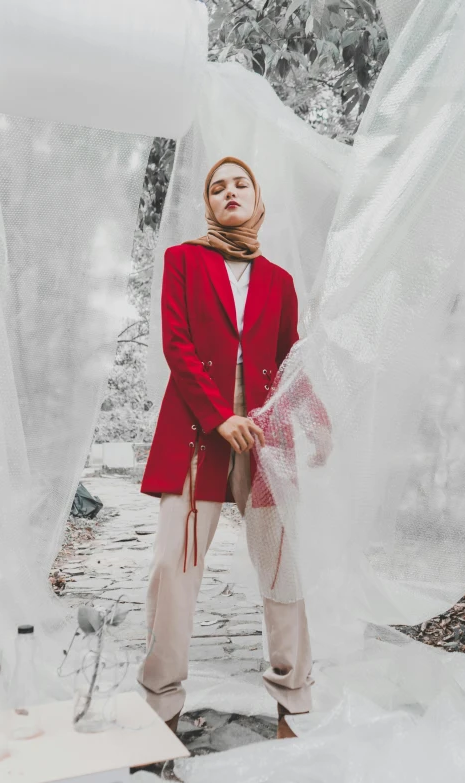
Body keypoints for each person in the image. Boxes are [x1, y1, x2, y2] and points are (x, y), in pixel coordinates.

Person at [138, 156, 331, 740]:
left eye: (240, 184)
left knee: (282, 566)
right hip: (200, 428)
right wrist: (221, 416)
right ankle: (160, 706)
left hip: (267, 436)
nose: (229, 192)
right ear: (208, 203)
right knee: (174, 565)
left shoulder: (279, 281)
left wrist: (317, 420)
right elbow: (177, 344)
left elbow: (290, 357)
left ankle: (292, 703)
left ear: (257, 198)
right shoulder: (183, 262)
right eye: (217, 187)